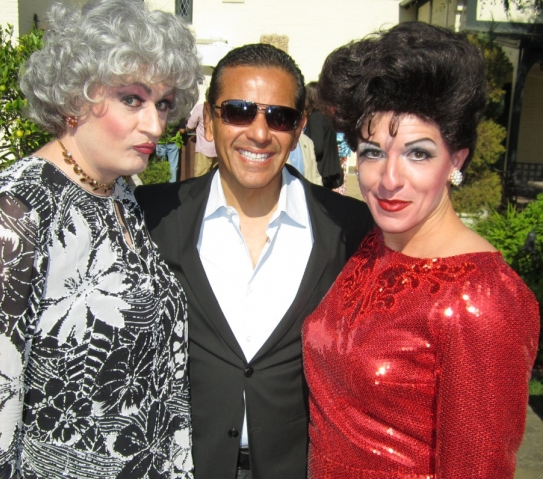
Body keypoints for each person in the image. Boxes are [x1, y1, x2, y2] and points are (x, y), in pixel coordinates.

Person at [0, 0, 201, 477]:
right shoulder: (18, 210)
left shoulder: (119, 191)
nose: (155, 124)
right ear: (74, 97)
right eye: (132, 99)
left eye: (163, 103)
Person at [303, 22, 540, 479]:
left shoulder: (483, 300)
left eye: (418, 154)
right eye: (373, 152)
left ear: (457, 160)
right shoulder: (371, 245)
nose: (389, 179)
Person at [135, 43, 373, 479]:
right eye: (239, 111)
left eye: (279, 117)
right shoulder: (153, 215)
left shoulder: (349, 227)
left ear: (299, 126)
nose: (260, 133)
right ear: (209, 119)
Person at [304, 81, 342, 189]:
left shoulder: (316, 118)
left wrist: (303, 149)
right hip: (330, 170)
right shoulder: (327, 116)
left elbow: (318, 147)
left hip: (321, 171)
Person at [187, 89, 218, 177]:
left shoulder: (200, 108)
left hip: (204, 149)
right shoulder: (220, 109)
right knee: (214, 179)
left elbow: (190, 125)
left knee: (200, 179)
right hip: (217, 150)